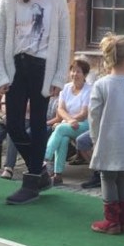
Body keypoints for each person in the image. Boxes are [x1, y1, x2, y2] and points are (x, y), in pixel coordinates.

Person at [0, 0, 70, 206]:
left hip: (42, 67)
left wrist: (59, 77)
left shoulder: (56, 0)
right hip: (16, 66)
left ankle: (32, 179)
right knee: (13, 124)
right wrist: (0, 73)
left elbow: (63, 39)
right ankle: (41, 171)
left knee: (38, 124)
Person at [86, 34, 124, 235]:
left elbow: (94, 115)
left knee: (108, 177)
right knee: (122, 177)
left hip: (108, 138)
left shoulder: (101, 84)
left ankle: (112, 220)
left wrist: (94, 138)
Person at [44, 57, 92, 185]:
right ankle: (58, 175)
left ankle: (44, 159)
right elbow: (60, 109)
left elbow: (83, 114)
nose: (74, 74)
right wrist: (69, 121)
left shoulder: (89, 89)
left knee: (59, 128)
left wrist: (67, 122)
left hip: (85, 125)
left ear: (85, 74)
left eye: (78, 71)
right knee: (63, 138)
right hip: (70, 124)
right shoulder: (65, 88)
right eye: (73, 71)